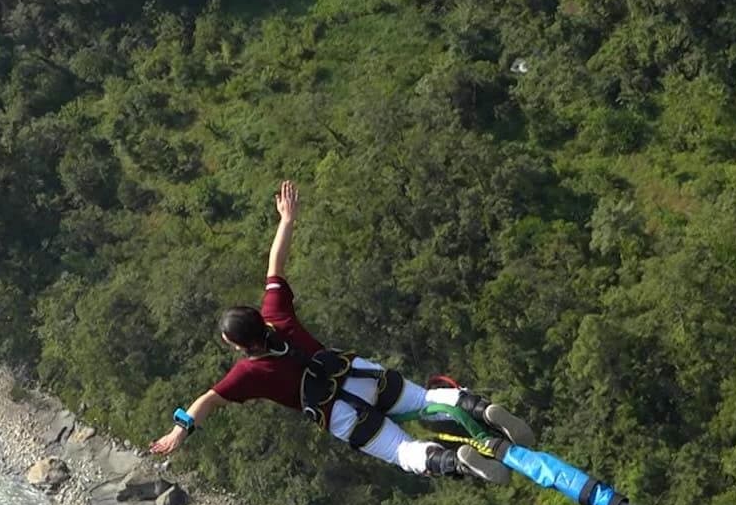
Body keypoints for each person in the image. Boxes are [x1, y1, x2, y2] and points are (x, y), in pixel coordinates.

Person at [148, 180, 534, 483]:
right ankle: (479, 408)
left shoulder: (247, 373)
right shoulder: (276, 313)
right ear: (256, 318)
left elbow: (208, 401)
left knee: (403, 451)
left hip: (339, 414)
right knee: (424, 400)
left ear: (235, 344)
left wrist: (180, 431)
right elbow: (275, 264)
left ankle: (455, 462)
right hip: (362, 375)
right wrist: (287, 219)